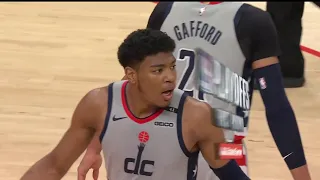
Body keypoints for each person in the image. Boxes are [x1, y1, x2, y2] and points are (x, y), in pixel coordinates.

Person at [77, 2, 312, 180]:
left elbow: (132, 86)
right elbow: (277, 107)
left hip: (164, 140)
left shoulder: (166, 10)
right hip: (224, 146)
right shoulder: (254, 21)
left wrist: (96, 145)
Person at [20, 29, 251, 180]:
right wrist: (93, 148)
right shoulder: (98, 103)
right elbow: (53, 166)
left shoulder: (197, 116)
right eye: (158, 70)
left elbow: (232, 174)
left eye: (172, 66)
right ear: (131, 75)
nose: (170, 77)